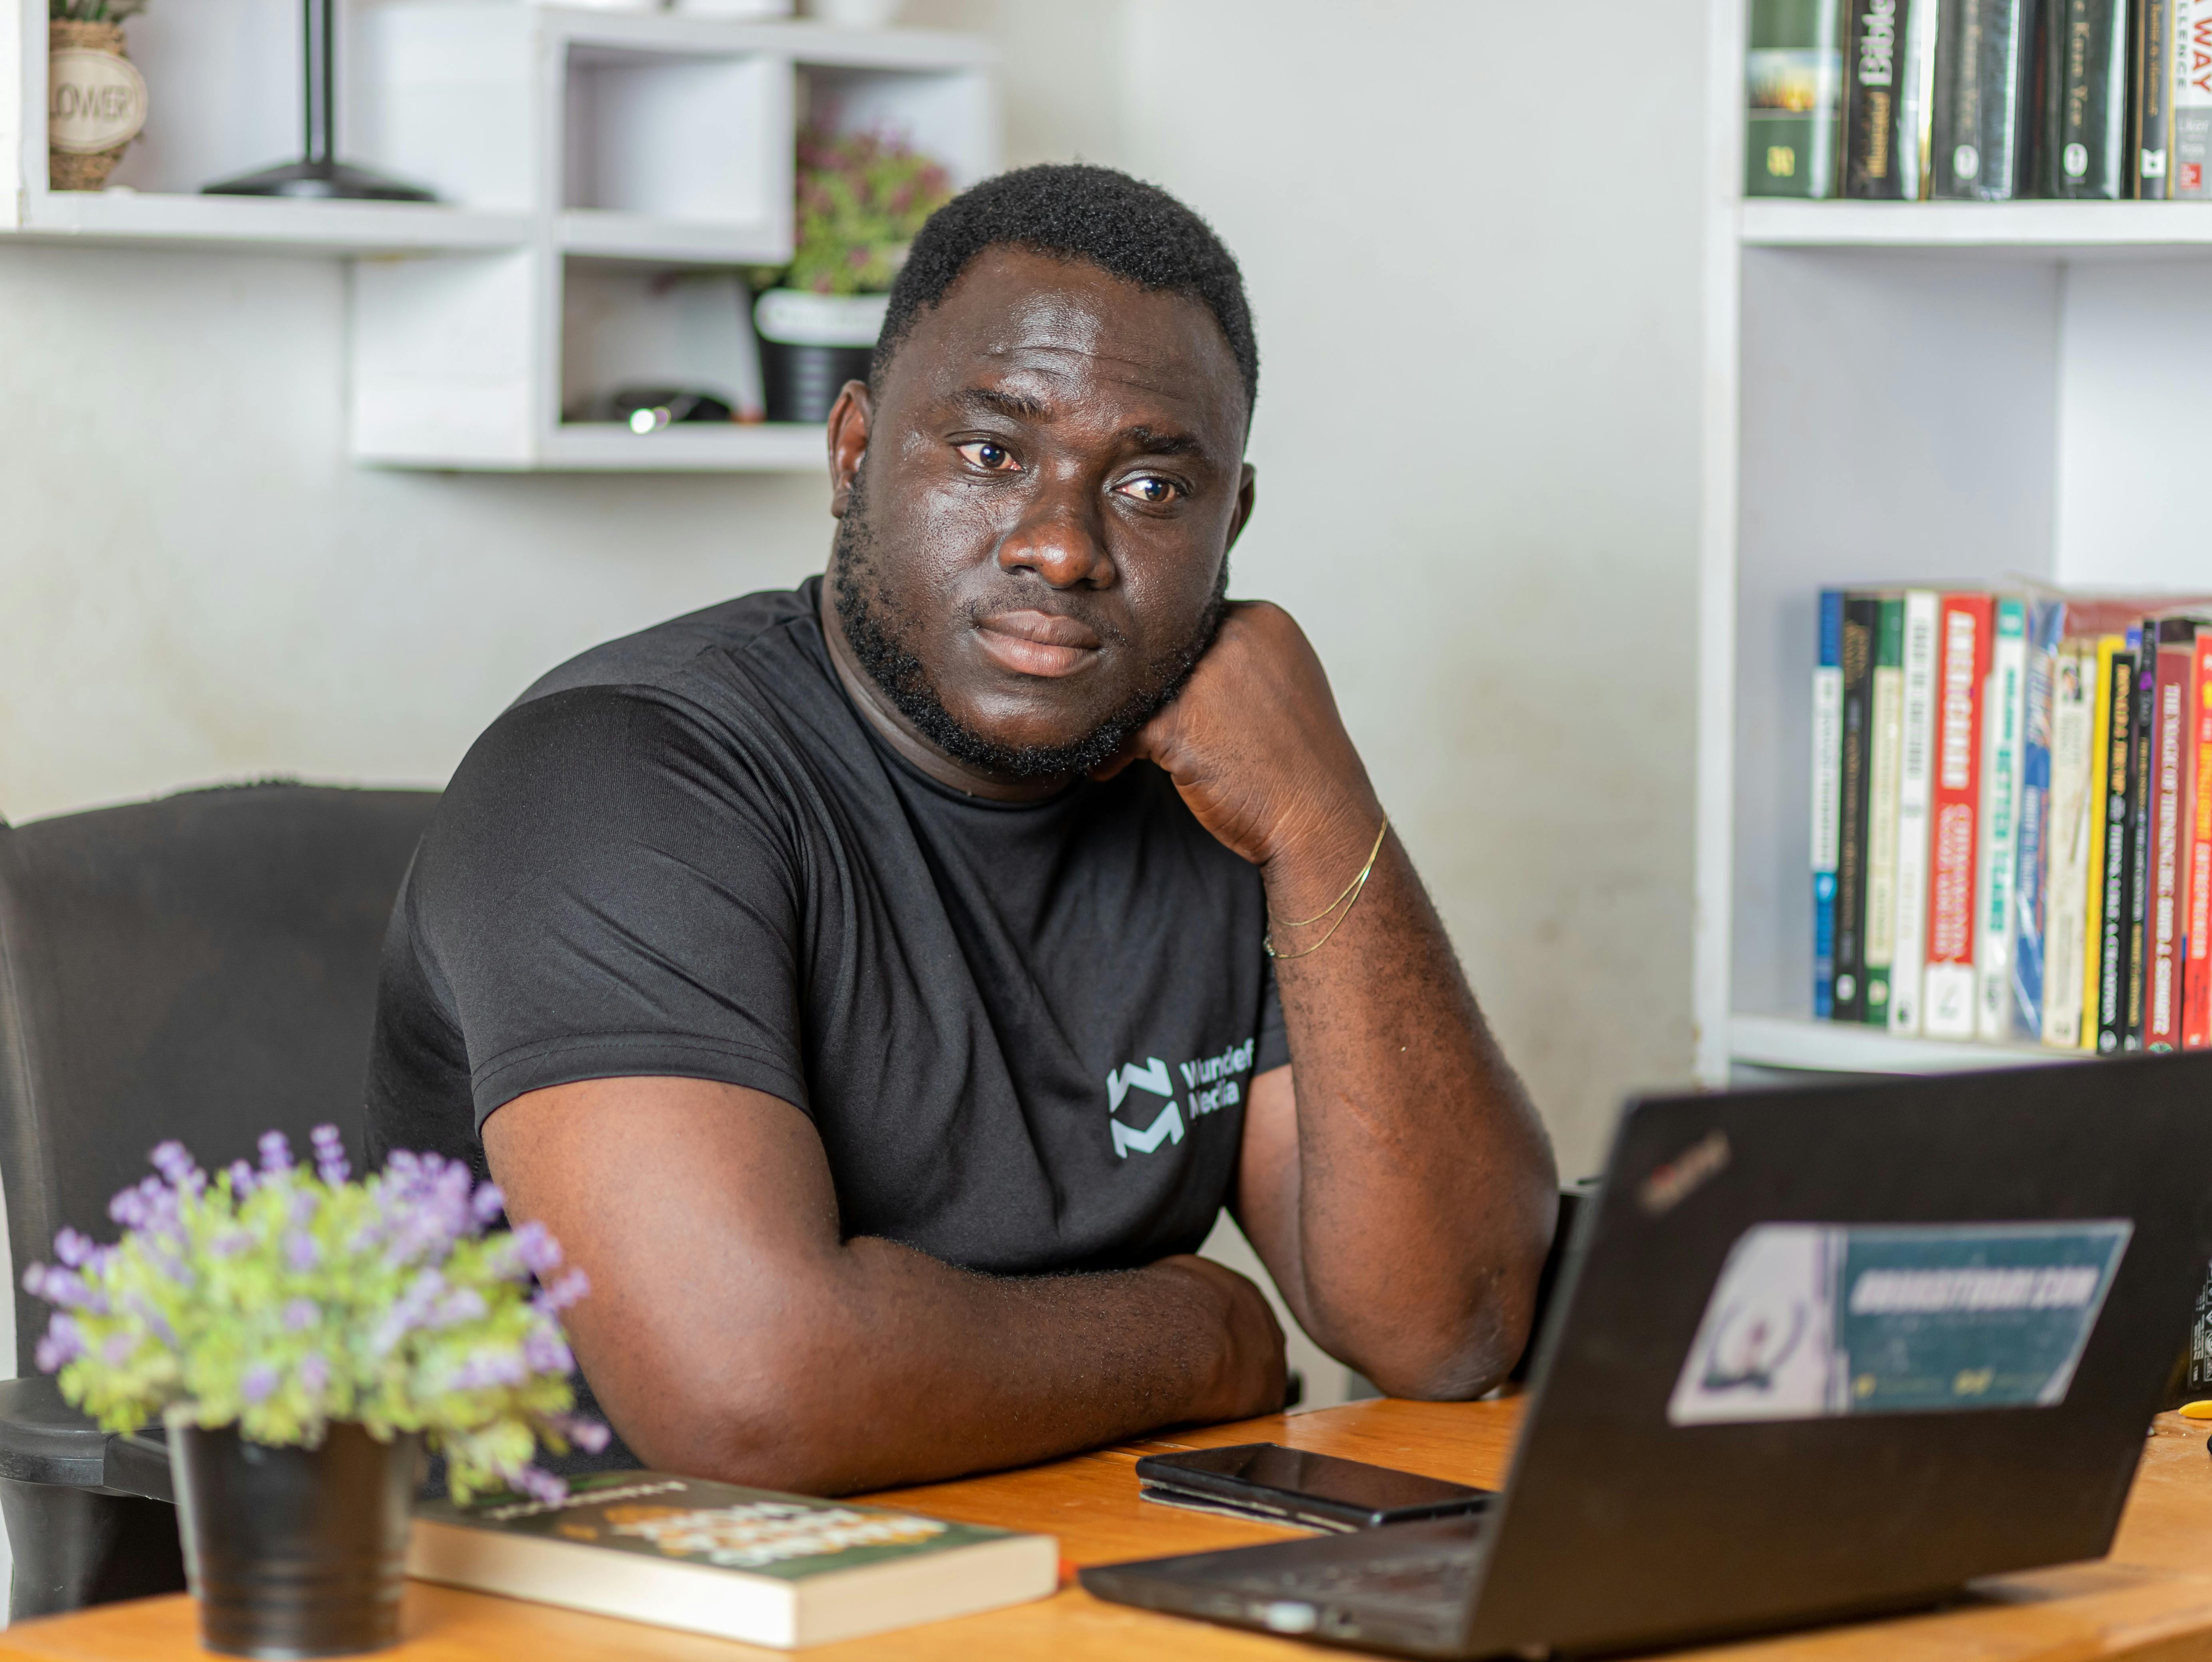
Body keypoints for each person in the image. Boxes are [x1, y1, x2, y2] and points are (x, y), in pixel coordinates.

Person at [365, 164, 1557, 1496]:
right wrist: (1203, 1337)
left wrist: (1324, 817)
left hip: (1078, 1554)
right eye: (992, 455)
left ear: (1233, 524)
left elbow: (1450, 1327)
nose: (1063, 547)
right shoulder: (616, 779)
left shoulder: (1221, 789)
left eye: (1152, 487)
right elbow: (752, 1396)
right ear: (853, 455)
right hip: (626, 1580)